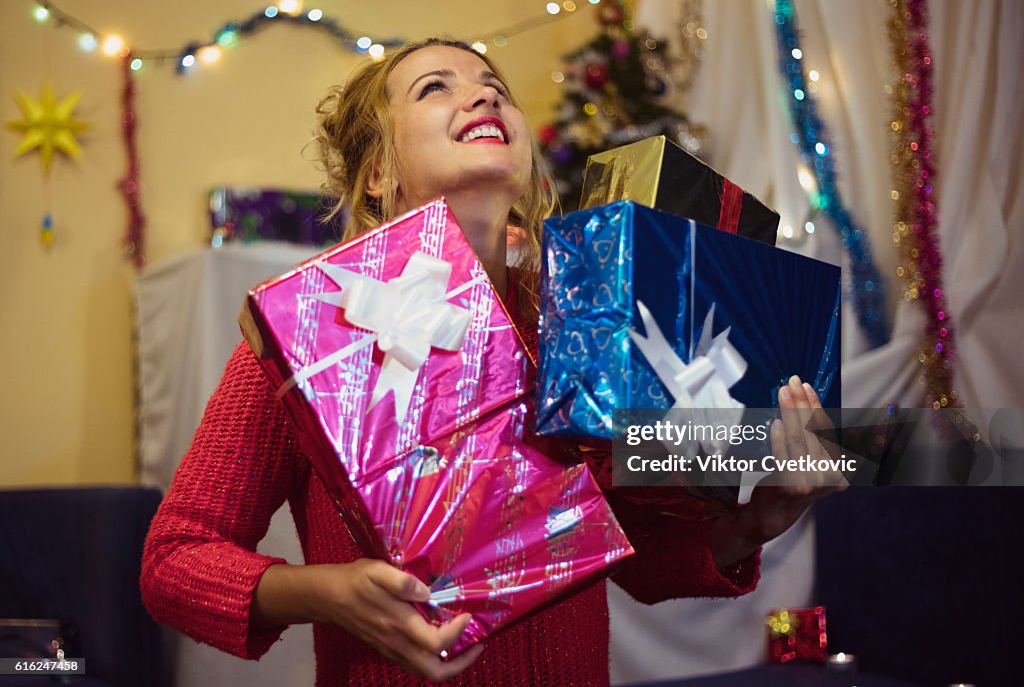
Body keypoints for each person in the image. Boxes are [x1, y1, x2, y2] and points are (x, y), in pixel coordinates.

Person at [141, 37, 843, 686]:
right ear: (378, 171)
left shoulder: (583, 328)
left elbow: (631, 560)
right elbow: (173, 561)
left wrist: (759, 518)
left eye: (495, 86)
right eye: (435, 88)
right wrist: (329, 593)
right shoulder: (314, 345)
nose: (485, 97)